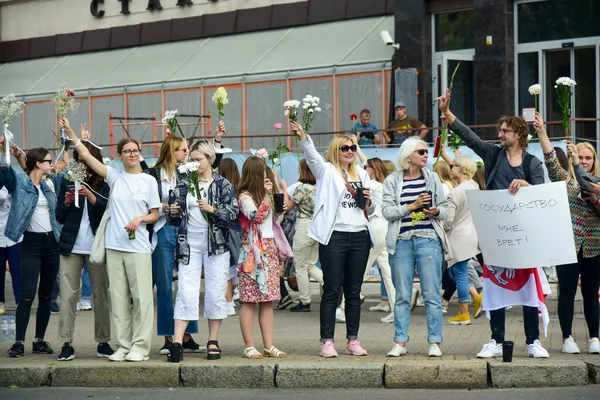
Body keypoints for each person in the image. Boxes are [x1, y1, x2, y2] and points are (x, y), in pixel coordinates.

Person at [438, 88, 550, 359]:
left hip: (523, 237)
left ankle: (533, 341)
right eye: (500, 131)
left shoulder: (532, 163)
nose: (499, 135)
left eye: (504, 132)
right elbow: (469, 136)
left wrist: (526, 185)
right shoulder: (493, 155)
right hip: (495, 235)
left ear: (519, 135)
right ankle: (496, 340)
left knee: (528, 289)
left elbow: (542, 194)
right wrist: (446, 113)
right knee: (495, 288)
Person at [60, 117, 161, 362]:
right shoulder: (114, 176)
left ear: (140, 153)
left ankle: (140, 346)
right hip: (114, 246)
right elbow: (85, 154)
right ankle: (123, 345)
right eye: (127, 151)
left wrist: (140, 218)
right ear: (119, 155)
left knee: (141, 299)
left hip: (138, 247)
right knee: (118, 299)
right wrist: (71, 132)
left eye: (135, 151)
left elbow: (156, 214)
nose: (132, 154)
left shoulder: (148, 180)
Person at [295, 122, 375, 358]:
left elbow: (372, 207)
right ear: (335, 151)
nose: (350, 152)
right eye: (344, 148)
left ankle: (353, 340)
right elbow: (311, 158)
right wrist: (303, 137)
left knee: (354, 290)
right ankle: (327, 341)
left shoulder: (361, 173)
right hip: (335, 236)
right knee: (331, 289)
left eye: (352, 148)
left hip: (360, 234)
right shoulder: (326, 171)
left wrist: (369, 201)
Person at [534, 113, 600, 355]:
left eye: (588, 158)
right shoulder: (564, 182)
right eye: (579, 158)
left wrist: (595, 198)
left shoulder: (599, 183)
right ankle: (567, 337)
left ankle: (594, 337)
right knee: (567, 294)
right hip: (568, 246)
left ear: (594, 160)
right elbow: (551, 160)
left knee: (592, 294)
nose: (584, 161)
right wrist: (541, 131)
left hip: (594, 246)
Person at [167, 140, 238, 362]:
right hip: (189, 243)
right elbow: (172, 218)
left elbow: (233, 213)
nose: (194, 163)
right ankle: (177, 341)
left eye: (199, 159)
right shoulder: (184, 183)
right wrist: (173, 210)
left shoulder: (223, 184)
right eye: (192, 159)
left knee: (216, 291)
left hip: (216, 244)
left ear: (210, 159)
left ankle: (213, 339)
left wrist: (213, 209)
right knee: (186, 291)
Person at [382, 138, 449, 358]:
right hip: (401, 241)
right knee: (402, 295)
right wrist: (412, 206)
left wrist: (436, 211)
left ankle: (435, 342)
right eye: (421, 151)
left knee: (431, 294)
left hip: (428, 239)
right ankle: (400, 342)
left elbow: (446, 208)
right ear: (408, 155)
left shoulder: (433, 178)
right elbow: (387, 212)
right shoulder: (392, 180)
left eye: (426, 151)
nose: (425, 155)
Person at [1, 138, 62, 357]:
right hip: (31, 243)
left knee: (46, 295)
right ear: (38, 164)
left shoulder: (49, 185)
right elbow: (5, 171)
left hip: (51, 243)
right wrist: (6, 150)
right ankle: (18, 342)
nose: (51, 164)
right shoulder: (21, 183)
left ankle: (39, 340)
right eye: (48, 161)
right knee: (27, 294)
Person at [142, 134, 202, 356]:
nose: (187, 153)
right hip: (162, 229)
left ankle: (186, 334)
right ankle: (169, 336)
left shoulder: (187, 173)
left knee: (188, 283)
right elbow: (146, 203)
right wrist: (164, 207)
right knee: (165, 285)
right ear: (171, 151)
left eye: (187, 150)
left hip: (186, 230)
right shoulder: (152, 174)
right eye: (183, 150)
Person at [55, 141, 114, 361]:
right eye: (79, 161)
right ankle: (66, 342)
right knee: (68, 295)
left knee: (100, 295)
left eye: (86, 160)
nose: (83, 164)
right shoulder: (67, 179)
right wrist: (68, 202)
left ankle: (103, 341)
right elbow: (59, 215)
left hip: (96, 246)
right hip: (71, 246)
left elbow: (109, 210)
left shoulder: (103, 181)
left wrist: (91, 198)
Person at [236, 156, 292, 359]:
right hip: (251, 252)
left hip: (269, 250)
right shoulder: (244, 197)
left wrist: (277, 203)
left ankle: (268, 345)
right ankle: (249, 345)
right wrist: (268, 198)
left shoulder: (264, 194)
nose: (265, 176)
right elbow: (256, 217)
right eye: (262, 172)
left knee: (267, 300)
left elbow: (273, 221)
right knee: (249, 300)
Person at [443, 155, 484, 325]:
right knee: (455, 272)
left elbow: (447, 221)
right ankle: (476, 296)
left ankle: (464, 312)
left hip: (458, 237)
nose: (450, 168)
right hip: (472, 235)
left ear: (459, 168)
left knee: (458, 273)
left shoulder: (455, 192)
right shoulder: (475, 187)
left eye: (453, 166)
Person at [280, 159, 323, 312]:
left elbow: (287, 207)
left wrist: (284, 189)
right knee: (311, 264)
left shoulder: (302, 188)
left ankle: (305, 300)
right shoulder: (321, 187)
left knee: (301, 266)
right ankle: (334, 286)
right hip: (318, 227)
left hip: (304, 226)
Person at [357, 157, 396, 324]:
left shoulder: (371, 186)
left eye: (367, 167)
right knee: (387, 272)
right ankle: (396, 308)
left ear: (372, 169)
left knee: (359, 269)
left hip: (376, 227)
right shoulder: (381, 185)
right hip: (385, 228)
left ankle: (344, 307)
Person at [218, 158, 242, 317]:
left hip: (225, 230)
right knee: (234, 266)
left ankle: (228, 302)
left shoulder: (222, 188)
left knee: (227, 268)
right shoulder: (240, 189)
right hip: (239, 230)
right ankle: (231, 297)